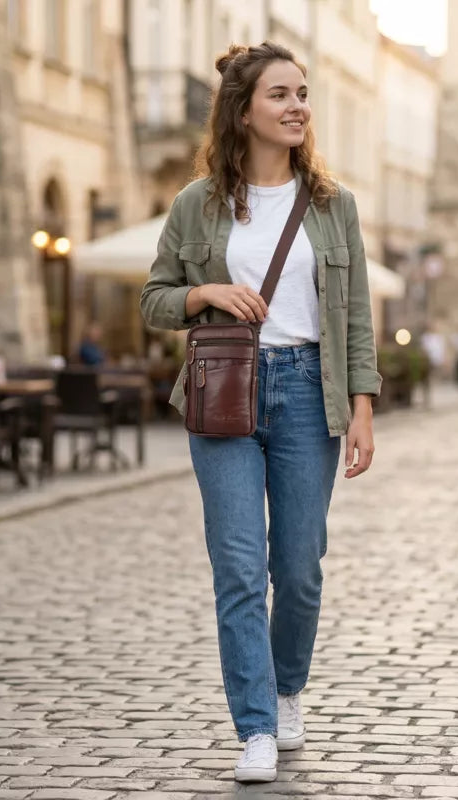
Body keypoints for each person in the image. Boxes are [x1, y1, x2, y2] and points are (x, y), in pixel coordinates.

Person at [140, 42, 380, 783]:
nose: (297, 106)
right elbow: (153, 301)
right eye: (281, 94)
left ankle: (285, 689)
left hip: (311, 391)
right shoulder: (196, 205)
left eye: (302, 94)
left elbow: (359, 316)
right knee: (240, 567)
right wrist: (205, 294)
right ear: (243, 111)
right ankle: (254, 727)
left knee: (299, 566)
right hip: (224, 393)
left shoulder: (335, 206)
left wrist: (363, 407)